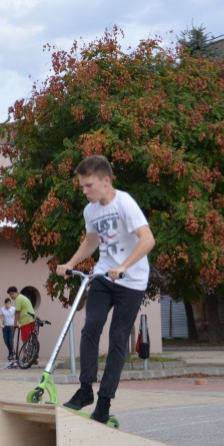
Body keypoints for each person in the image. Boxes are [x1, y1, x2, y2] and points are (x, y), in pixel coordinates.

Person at [55, 155, 156, 424]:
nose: (84, 191)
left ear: (106, 181)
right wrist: (70, 263)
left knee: (117, 338)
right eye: (82, 186)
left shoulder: (125, 204)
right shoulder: (91, 211)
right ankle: (86, 389)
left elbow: (148, 240)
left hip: (131, 281)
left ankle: (104, 402)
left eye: (88, 185)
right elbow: (90, 240)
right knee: (91, 326)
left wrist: (124, 266)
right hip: (103, 276)